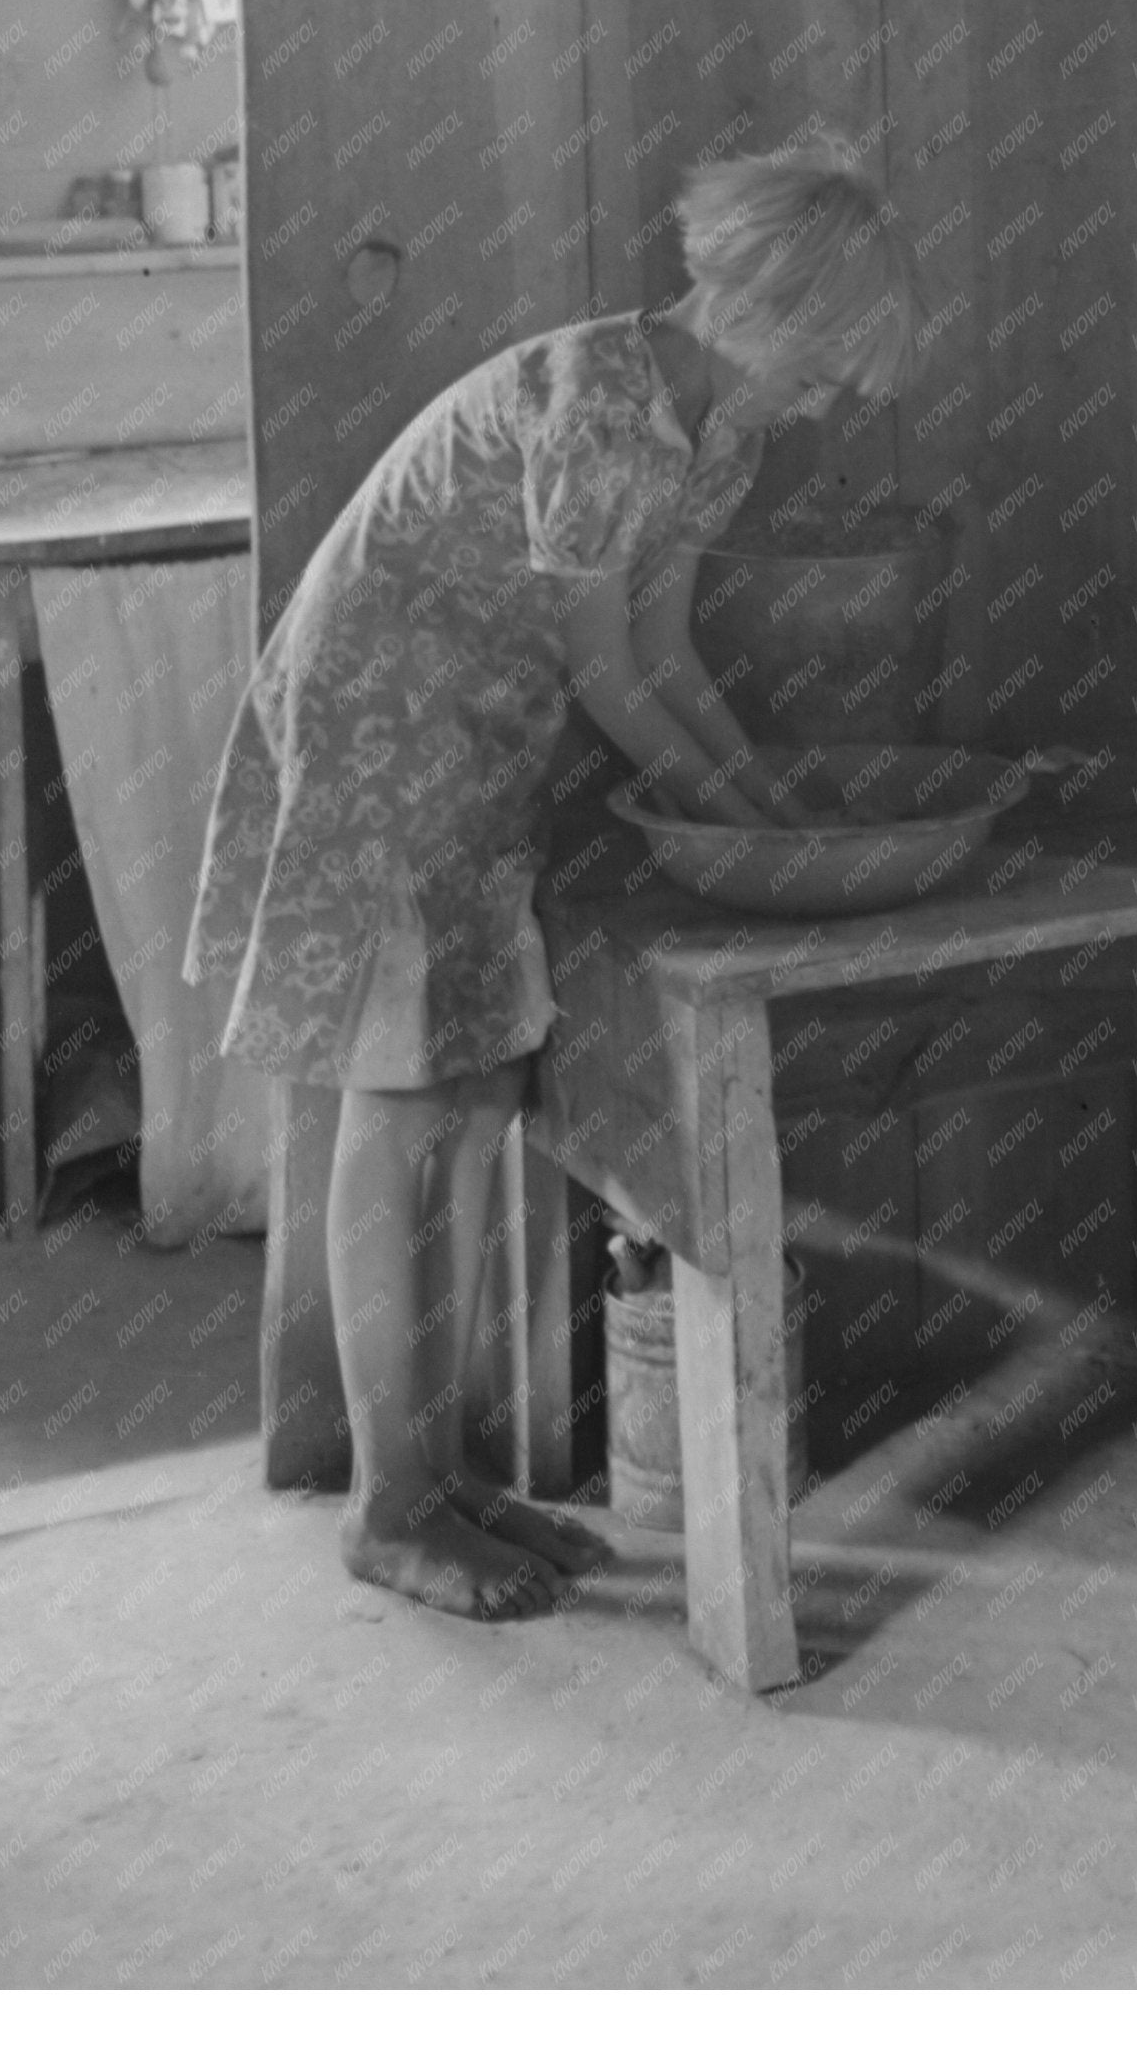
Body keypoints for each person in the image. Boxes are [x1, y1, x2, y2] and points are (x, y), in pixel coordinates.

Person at [185, 140, 918, 1620]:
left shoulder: (720, 437)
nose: (836, 402)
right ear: (758, 308)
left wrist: (780, 807)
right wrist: (773, 838)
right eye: (829, 365)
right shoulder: (602, 412)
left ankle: (444, 1478)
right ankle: (389, 1508)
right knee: (400, 1116)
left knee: (466, 1114)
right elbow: (609, 679)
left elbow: (671, 655)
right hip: (380, 729)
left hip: (475, 740)